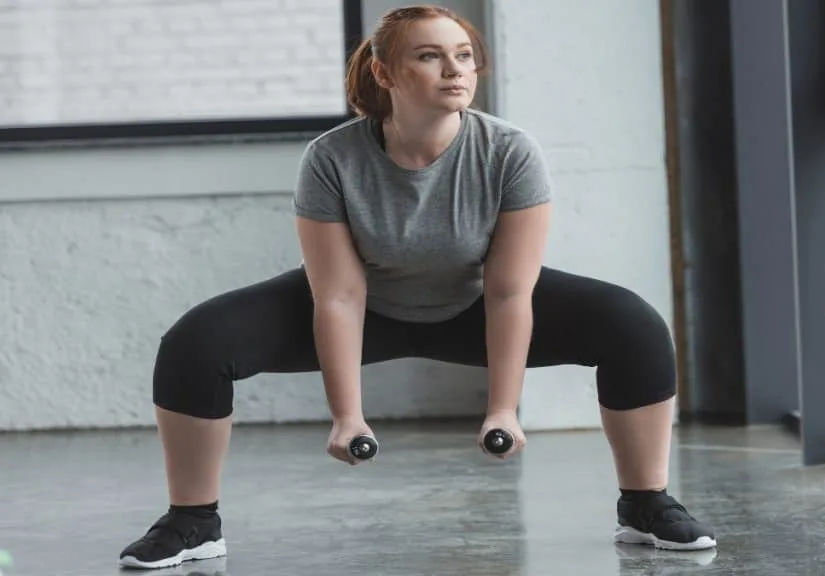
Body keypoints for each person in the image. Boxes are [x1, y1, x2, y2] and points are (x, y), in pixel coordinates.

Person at [117, 4, 717, 570]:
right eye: (430, 56)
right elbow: (339, 295)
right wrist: (346, 416)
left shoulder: (508, 152)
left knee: (632, 324)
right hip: (367, 303)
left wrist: (501, 408)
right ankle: (193, 520)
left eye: (463, 55)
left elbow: (510, 290)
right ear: (385, 72)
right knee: (196, 342)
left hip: (475, 301)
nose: (454, 69)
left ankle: (645, 503)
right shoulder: (332, 158)